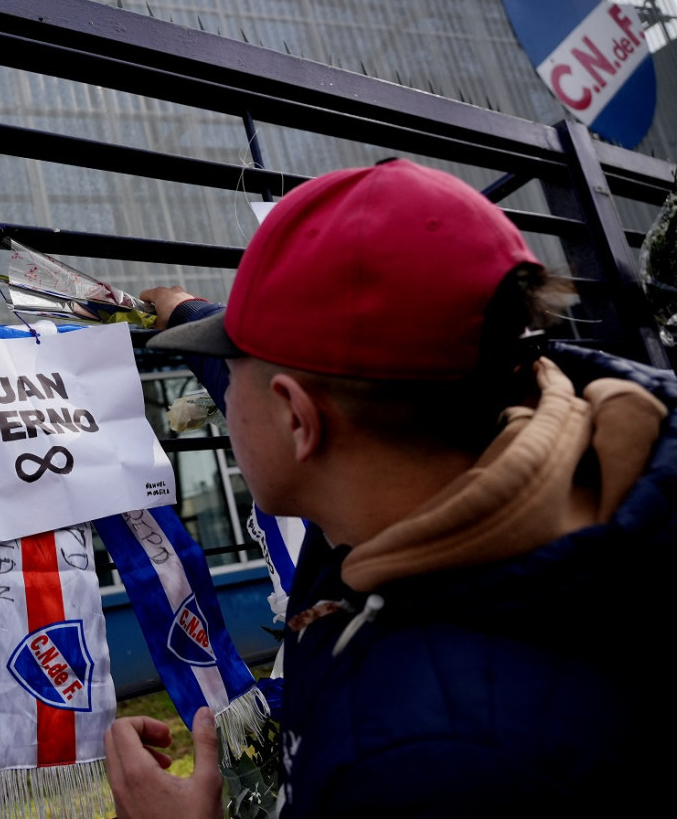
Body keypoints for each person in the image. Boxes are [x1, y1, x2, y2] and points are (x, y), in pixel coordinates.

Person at [104, 158, 676, 817]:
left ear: (299, 420)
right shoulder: (506, 431)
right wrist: (182, 311)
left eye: (232, 374)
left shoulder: (423, 766)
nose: (223, 392)